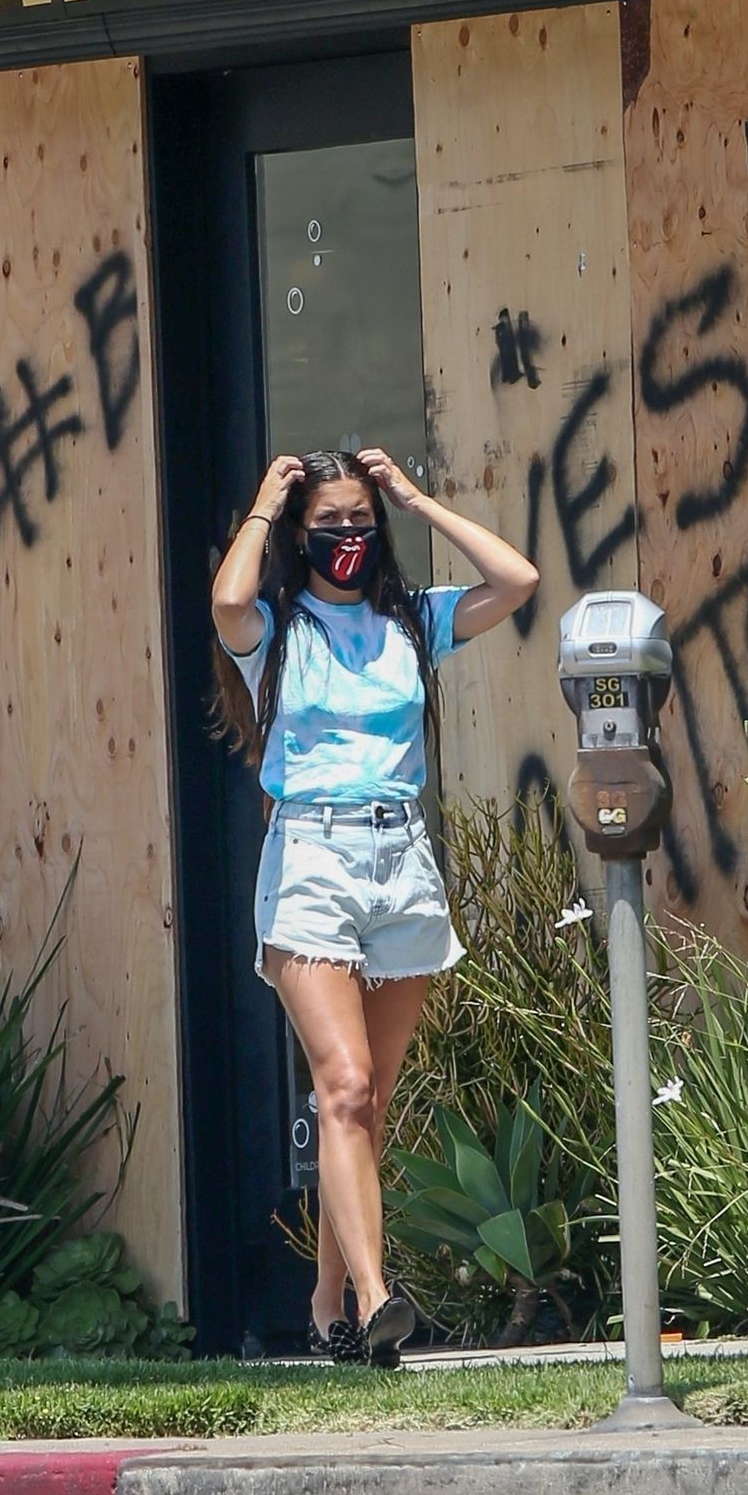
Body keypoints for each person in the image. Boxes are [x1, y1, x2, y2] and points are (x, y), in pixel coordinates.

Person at [210, 447, 540, 1365]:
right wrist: (265, 503)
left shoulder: (411, 620)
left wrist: (415, 500)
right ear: (301, 533)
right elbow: (228, 601)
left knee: (365, 1103)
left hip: (402, 859)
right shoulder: (278, 628)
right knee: (345, 1086)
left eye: (361, 520)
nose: (348, 535)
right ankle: (376, 1295)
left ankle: (328, 1306)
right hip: (311, 857)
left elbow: (517, 580)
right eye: (330, 522)